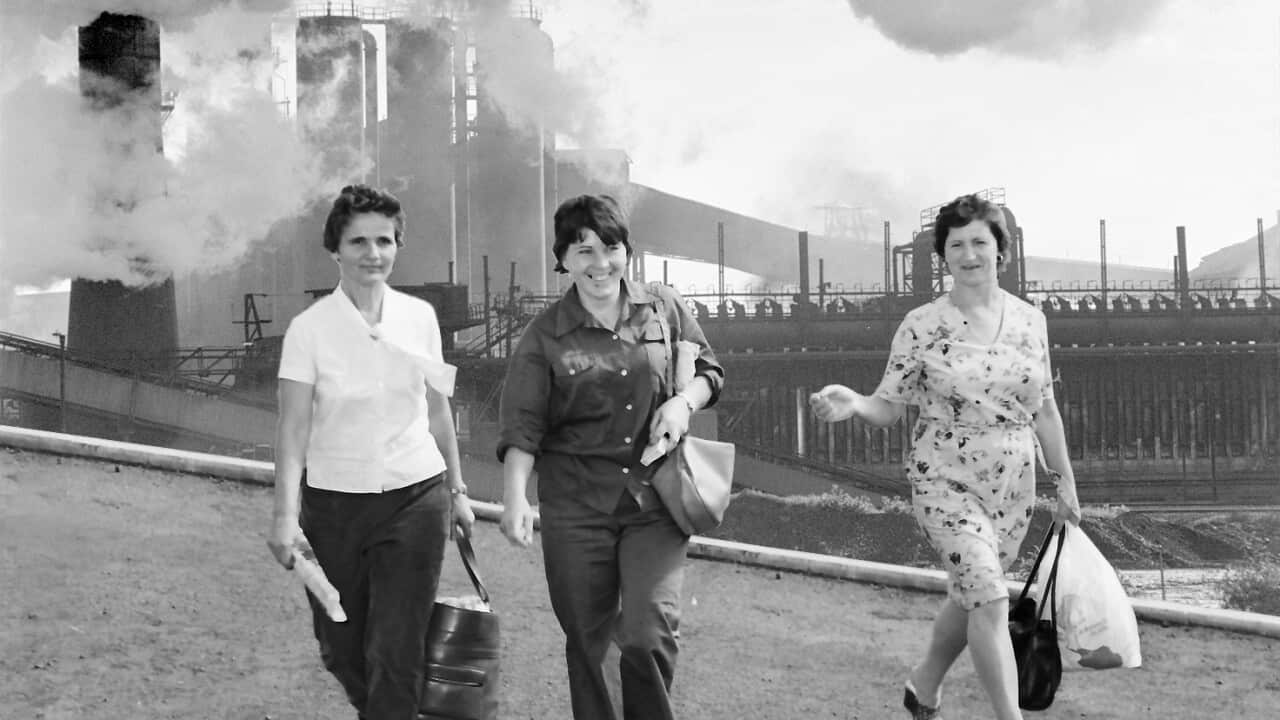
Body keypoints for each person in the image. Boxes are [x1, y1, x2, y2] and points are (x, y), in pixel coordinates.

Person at [810, 194, 1081, 720]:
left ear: (1000, 250)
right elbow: (888, 406)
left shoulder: (1031, 322)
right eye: (956, 244)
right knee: (990, 597)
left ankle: (924, 685)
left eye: (980, 241)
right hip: (945, 480)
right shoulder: (921, 325)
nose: (969, 253)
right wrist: (853, 404)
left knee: (973, 594)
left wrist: (1065, 483)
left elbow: (1044, 410)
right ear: (943, 256)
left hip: (1013, 486)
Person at [496, 194, 724, 720]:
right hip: (576, 507)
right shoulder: (545, 336)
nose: (600, 264)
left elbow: (710, 371)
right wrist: (515, 500)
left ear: (628, 251)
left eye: (611, 248)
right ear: (563, 260)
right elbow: (522, 425)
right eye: (583, 251)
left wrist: (682, 403)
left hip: (656, 498)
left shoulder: (662, 306)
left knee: (647, 633)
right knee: (591, 641)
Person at [266, 184, 474, 720]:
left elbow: (438, 411)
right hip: (333, 506)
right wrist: (285, 517)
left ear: (398, 245)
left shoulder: (421, 318)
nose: (372, 253)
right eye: (358, 241)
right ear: (335, 249)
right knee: (340, 646)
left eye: (384, 240)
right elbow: (292, 429)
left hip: (415, 498)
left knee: (396, 648)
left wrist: (457, 491)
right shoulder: (308, 332)